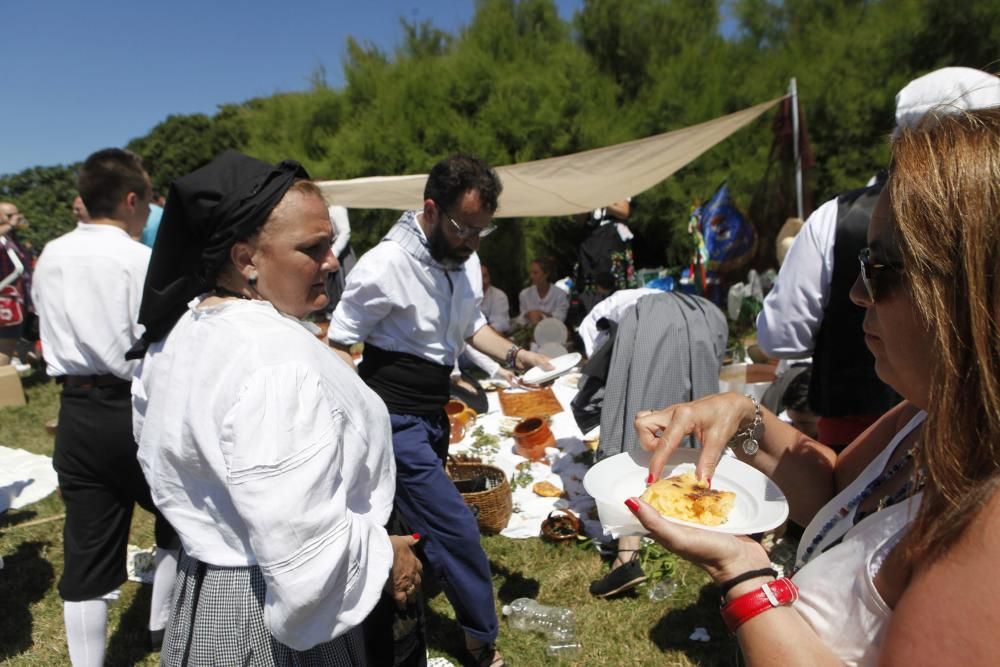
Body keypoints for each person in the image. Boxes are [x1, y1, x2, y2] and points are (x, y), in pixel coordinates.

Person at [628, 106, 1000, 665]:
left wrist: (744, 576)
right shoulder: (932, 414)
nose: (856, 292)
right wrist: (742, 420)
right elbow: (833, 491)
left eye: (880, 268)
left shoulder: (989, 528)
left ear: (974, 291)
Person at [130, 150, 418, 665]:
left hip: (210, 595)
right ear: (247, 260)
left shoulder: (182, 332)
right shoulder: (276, 362)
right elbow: (300, 542)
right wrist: (385, 553)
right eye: (313, 248)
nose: (331, 262)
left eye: (330, 244)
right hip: (273, 617)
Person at [328, 153, 550, 667]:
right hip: (394, 418)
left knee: (409, 518)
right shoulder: (385, 266)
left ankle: (397, 595)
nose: (473, 240)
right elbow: (341, 340)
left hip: (434, 415)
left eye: (482, 230)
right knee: (457, 526)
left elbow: (472, 329)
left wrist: (518, 355)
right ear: (430, 209)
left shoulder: (465, 260)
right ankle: (479, 639)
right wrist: (351, 418)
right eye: (463, 227)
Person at [756, 67, 1000, 450]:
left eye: (880, 267)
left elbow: (779, 336)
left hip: (847, 431)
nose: (859, 293)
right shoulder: (913, 417)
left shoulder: (833, 216)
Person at [30, 149, 179, 665]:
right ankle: (161, 625)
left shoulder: (50, 254)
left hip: (75, 409)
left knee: (88, 547)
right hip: (134, 407)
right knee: (178, 519)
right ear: (133, 199)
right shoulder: (138, 258)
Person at [571, 198, 638, 319]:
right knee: (588, 282)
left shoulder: (615, 187)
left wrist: (602, 199)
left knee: (610, 281)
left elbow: (624, 212)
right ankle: (592, 316)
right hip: (590, 241)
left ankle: (617, 317)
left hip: (611, 240)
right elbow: (580, 221)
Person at [0, 202, 32, 365]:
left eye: (17, 214)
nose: (16, 218)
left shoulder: (12, 239)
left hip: (19, 300)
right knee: (4, 348)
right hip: (5, 302)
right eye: (9, 215)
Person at [323, 204, 358, 314]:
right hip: (326, 250)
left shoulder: (336, 206)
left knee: (345, 292)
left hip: (340, 254)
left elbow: (345, 232)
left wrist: (333, 253)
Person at [517, 257, 568, 326]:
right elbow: (522, 320)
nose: (531, 276)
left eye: (535, 273)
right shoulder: (524, 294)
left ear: (546, 274)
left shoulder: (560, 294)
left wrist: (540, 315)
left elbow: (560, 319)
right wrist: (528, 315)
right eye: (530, 273)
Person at [479, 262, 510, 334]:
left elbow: (500, 323)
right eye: (479, 277)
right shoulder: (466, 297)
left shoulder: (499, 296)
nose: (483, 280)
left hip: (492, 336)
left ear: (489, 277)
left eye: (485, 276)